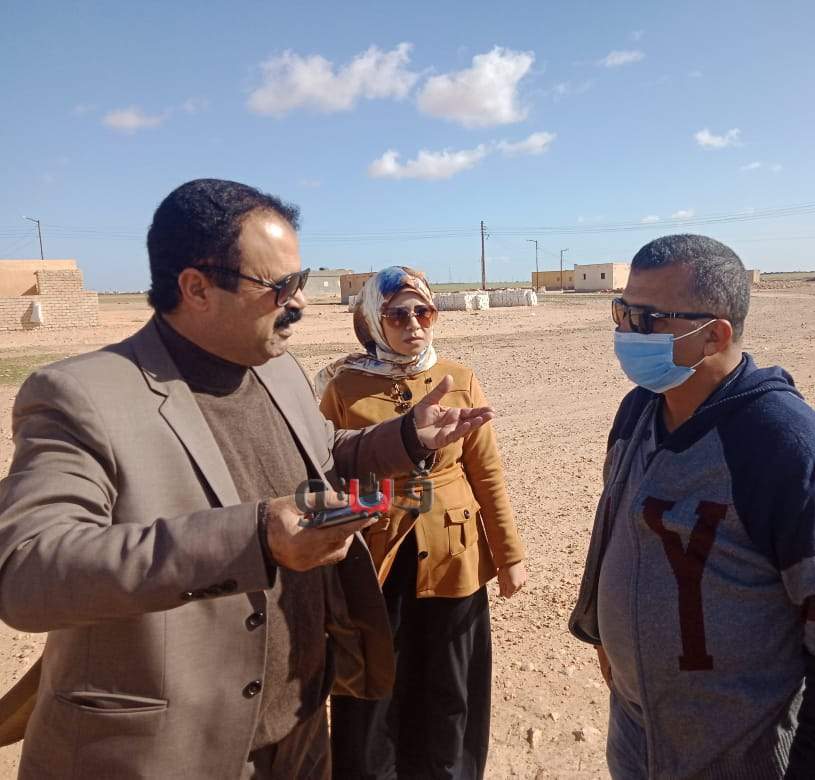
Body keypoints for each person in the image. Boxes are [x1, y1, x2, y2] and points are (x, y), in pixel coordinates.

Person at [0, 179, 493, 779]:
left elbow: (322, 456)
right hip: (169, 752)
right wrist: (255, 538)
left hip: (299, 734)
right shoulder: (80, 396)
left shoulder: (277, 369)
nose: (300, 302)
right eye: (279, 287)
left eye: (300, 280)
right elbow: (29, 571)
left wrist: (408, 437)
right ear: (197, 288)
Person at [569, 235, 815, 779]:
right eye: (621, 313)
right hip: (637, 736)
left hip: (738, 755)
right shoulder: (639, 411)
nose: (625, 333)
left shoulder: (786, 447)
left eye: (646, 319)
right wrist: (602, 632)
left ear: (714, 335)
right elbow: (615, 524)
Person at [316, 266, 526, 779]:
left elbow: (486, 473)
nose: (413, 324)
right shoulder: (343, 385)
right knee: (373, 685)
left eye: (424, 312)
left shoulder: (460, 378)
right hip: (374, 557)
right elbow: (324, 471)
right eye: (398, 314)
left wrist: (508, 556)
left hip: (454, 557)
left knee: (448, 685)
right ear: (373, 319)